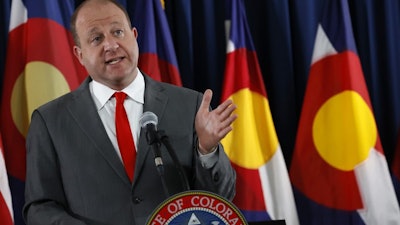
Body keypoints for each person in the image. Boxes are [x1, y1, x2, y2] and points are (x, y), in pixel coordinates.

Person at [23, 0, 237, 224]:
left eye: (118, 32)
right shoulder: (50, 121)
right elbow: (39, 209)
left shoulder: (189, 105)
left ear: (134, 35)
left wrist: (207, 150)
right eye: (97, 38)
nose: (111, 45)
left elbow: (220, 199)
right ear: (79, 54)